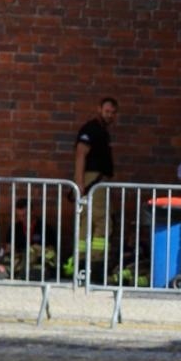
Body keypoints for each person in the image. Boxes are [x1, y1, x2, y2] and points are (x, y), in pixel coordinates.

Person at [73, 97, 118, 278]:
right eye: (107, 111)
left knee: (86, 222)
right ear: (99, 109)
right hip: (94, 180)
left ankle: (82, 260)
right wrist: (79, 182)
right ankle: (96, 261)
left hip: (97, 180)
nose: (110, 115)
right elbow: (80, 154)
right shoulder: (91, 129)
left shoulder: (101, 131)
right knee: (103, 223)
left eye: (113, 112)